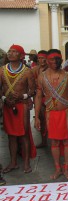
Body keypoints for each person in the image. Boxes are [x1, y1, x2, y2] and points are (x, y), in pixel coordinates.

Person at [34, 49, 68, 180]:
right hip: (50, 113)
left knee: (67, 140)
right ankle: (57, 168)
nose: (55, 62)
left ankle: (66, 169)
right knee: (54, 141)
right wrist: (36, 116)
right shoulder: (42, 77)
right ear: (47, 60)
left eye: (57, 59)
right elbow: (38, 97)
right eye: (52, 59)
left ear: (61, 59)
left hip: (66, 112)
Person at [0, 44, 36, 174]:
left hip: (22, 106)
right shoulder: (2, 70)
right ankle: (13, 162)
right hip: (8, 107)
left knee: (24, 135)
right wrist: (4, 99)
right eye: (9, 51)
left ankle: (26, 163)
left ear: (21, 56)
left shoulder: (27, 72)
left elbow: (33, 90)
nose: (10, 53)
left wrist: (23, 96)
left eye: (14, 52)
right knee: (11, 136)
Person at [32, 50, 48, 148]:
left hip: (49, 98)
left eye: (43, 58)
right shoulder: (34, 70)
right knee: (41, 119)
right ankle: (44, 140)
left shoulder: (51, 69)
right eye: (39, 58)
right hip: (38, 97)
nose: (40, 60)